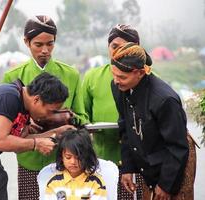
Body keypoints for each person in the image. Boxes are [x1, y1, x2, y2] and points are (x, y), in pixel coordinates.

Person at [3, 15, 88, 199]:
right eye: (38, 44)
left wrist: (67, 118)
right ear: (26, 42)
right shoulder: (13, 77)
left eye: (50, 44)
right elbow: (6, 127)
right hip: (29, 161)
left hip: (65, 160)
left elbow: (82, 116)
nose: (45, 50)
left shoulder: (71, 74)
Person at [110, 42, 196, 200]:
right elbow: (125, 126)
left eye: (122, 76)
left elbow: (177, 146)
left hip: (176, 161)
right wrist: (127, 167)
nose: (116, 80)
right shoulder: (119, 87)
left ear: (141, 73)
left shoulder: (165, 99)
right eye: (113, 74)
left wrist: (166, 185)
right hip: (149, 156)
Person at [82, 24, 144, 199]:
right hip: (103, 157)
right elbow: (83, 114)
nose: (118, 51)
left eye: (125, 46)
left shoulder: (145, 79)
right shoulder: (92, 77)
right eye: (114, 46)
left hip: (140, 160)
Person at [45, 129, 107, 200]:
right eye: (68, 157)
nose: (73, 162)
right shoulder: (53, 182)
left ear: (87, 156)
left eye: (78, 158)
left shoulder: (96, 183)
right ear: (61, 157)